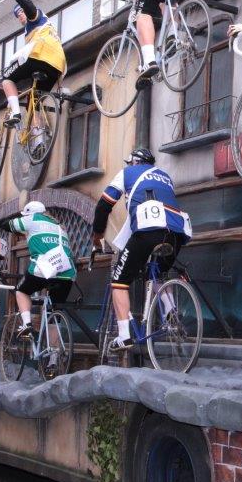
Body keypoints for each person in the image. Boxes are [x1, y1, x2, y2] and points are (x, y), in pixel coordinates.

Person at [92, 148, 192, 348]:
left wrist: (98, 236)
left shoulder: (127, 173)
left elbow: (104, 205)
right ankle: (171, 312)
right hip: (176, 233)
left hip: (148, 229)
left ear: (134, 162)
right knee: (157, 274)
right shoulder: (165, 177)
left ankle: (124, 337)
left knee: (119, 282)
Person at [0, 201, 76, 341]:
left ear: (29, 214)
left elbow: (6, 225)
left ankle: (27, 324)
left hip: (44, 269)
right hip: (67, 273)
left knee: (21, 291)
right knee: (54, 314)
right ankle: (54, 353)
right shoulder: (59, 225)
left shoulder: (32, 219)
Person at [0, 0, 66, 127]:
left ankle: (15, 113)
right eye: (17, 15)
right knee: (33, 103)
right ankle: (39, 136)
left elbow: (25, 2)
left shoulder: (35, 17)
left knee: (7, 79)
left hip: (41, 56)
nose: (20, 16)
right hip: (57, 65)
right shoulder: (43, 26)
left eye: (21, 12)